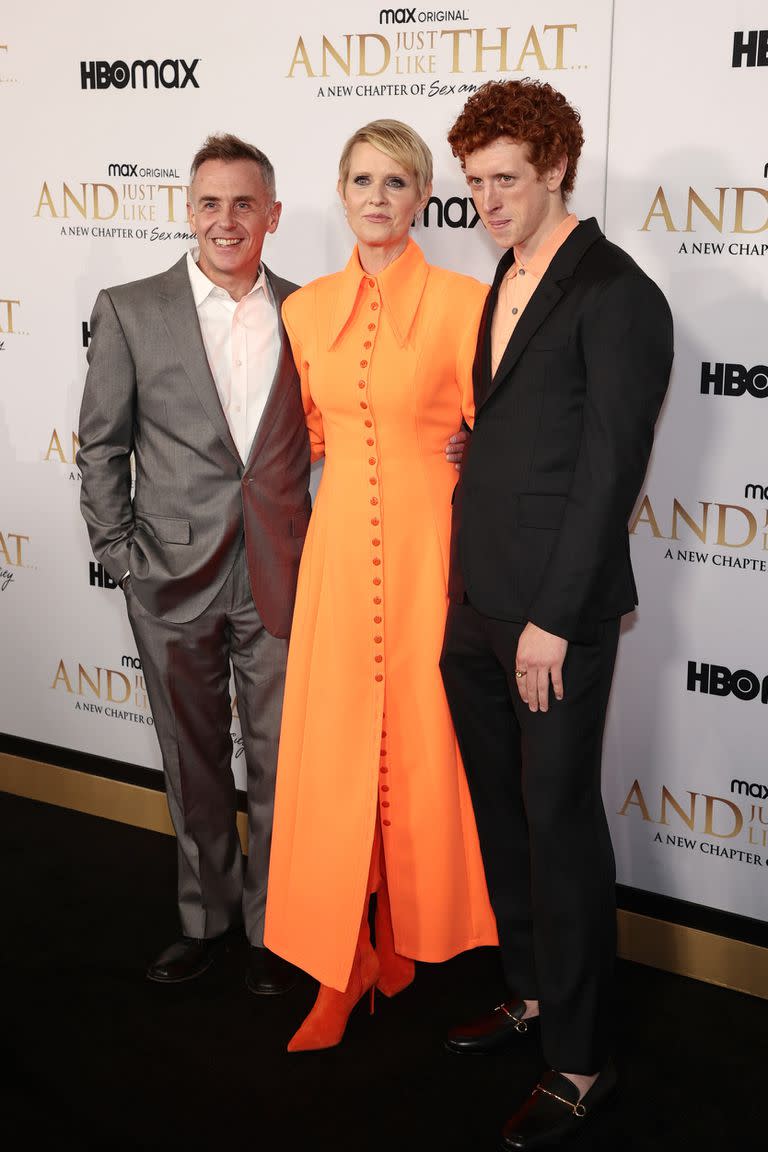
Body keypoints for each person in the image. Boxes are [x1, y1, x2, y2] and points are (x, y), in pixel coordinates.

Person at [439, 80, 673, 1149]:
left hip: (551, 619)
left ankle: (581, 1060)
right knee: (503, 813)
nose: (487, 200)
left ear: (558, 171)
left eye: (506, 181)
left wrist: (553, 617)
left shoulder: (618, 292)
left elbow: (609, 469)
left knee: (561, 826)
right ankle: (530, 992)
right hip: (476, 597)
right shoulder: (506, 270)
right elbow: (534, 425)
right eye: (476, 181)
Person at [264, 119, 497, 1051]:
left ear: (422, 196)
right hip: (337, 559)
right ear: (341, 190)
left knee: (419, 748)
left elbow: (504, 431)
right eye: (361, 179)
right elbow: (309, 435)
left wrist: (479, 450)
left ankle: (399, 940)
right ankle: (339, 960)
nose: (376, 197)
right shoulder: (304, 311)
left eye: (396, 182)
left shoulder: (466, 303)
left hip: (430, 557)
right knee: (336, 758)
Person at [77, 134, 308, 996]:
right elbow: (99, 445)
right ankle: (205, 919)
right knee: (194, 755)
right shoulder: (132, 308)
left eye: (244, 203)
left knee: (283, 761)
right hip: (168, 573)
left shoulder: (309, 311)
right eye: (210, 203)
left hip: (283, 571)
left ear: (273, 216)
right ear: (187, 210)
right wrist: (120, 555)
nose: (226, 220)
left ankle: (275, 928)